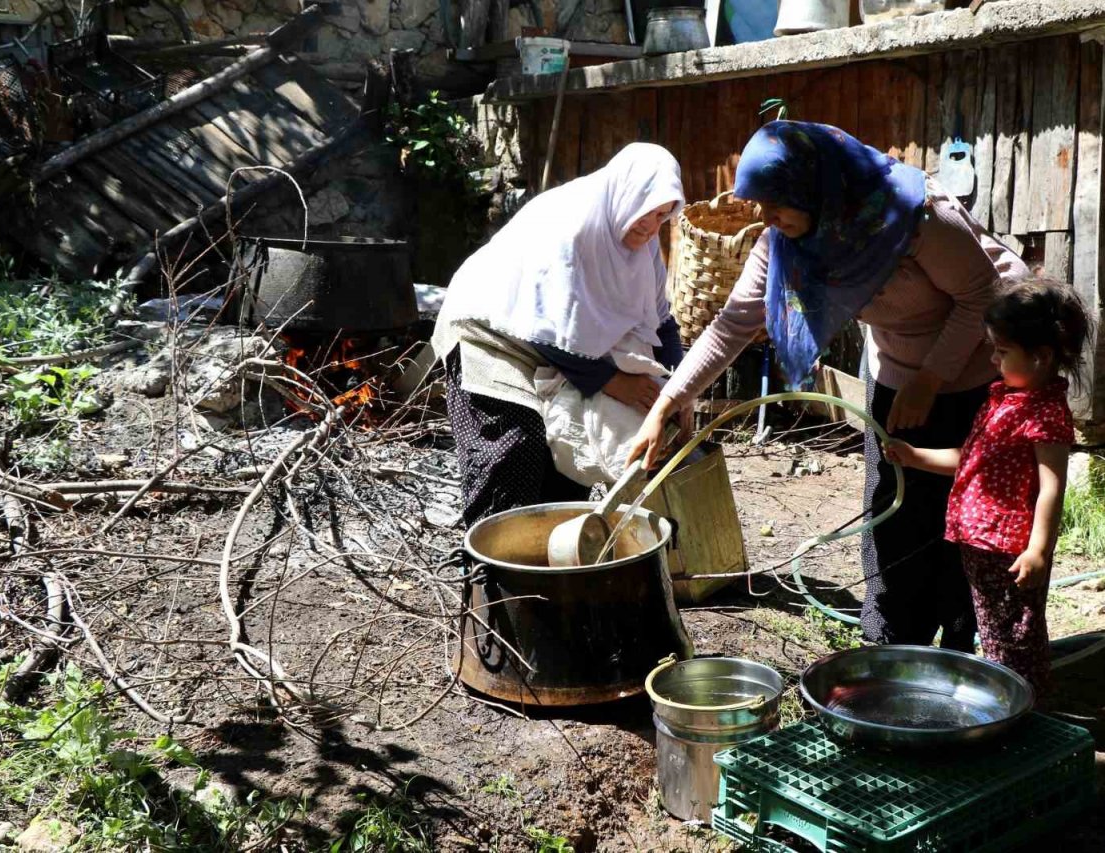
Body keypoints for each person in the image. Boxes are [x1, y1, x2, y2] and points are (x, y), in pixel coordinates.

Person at [629, 121, 1028, 651]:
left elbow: (984, 296)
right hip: (897, 362)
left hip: (979, 358)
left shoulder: (917, 217)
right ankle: (890, 649)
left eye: (775, 205)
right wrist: (667, 402)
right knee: (892, 509)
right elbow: (730, 327)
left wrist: (932, 379)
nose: (765, 219)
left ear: (813, 189)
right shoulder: (786, 245)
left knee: (963, 513)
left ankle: (960, 649)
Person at [432, 143, 687, 525]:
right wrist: (612, 381)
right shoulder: (574, 226)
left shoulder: (643, 247)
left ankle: (555, 550)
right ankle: (494, 557)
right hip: (490, 331)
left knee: (569, 453)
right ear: (626, 193)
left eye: (662, 215)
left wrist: (679, 389)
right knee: (515, 443)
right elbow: (540, 323)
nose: (651, 225)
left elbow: (662, 322)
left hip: (561, 345)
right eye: (646, 210)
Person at [884, 280, 1092, 698]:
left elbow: (1052, 488)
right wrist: (914, 456)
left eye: (1002, 351)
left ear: (1041, 356)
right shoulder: (1006, 399)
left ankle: (1026, 709)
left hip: (1008, 549)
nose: (993, 359)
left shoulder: (1045, 413)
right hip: (980, 541)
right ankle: (1007, 702)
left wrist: (1038, 551)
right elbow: (972, 458)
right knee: (996, 631)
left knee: (1015, 638)